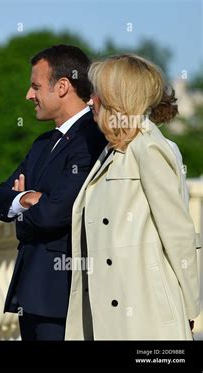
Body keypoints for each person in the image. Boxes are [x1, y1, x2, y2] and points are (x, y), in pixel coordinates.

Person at [65, 54, 200, 340]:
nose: (91, 102)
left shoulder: (147, 147)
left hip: (144, 315)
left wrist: (190, 307)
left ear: (118, 98)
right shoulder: (114, 149)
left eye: (97, 94)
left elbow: (178, 234)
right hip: (112, 310)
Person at [0, 45, 107, 340]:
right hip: (32, 295)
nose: (29, 95)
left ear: (63, 86)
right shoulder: (43, 143)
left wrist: (25, 209)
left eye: (35, 86)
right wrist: (25, 199)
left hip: (63, 298)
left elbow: (55, 213)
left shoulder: (92, 139)